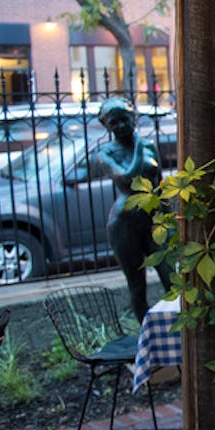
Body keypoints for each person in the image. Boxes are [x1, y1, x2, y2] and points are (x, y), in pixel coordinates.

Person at [95, 97, 172, 323]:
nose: (120, 126)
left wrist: (169, 219)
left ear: (133, 118)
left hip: (151, 221)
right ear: (107, 126)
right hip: (124, 224)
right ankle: (145, 334)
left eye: (124, 120)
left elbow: (159, 184)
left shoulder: (150, 147)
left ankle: (179, 333)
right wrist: (138, 146)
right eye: (114, 123)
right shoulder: (106, 154)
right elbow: (128, 178)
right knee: (137, 286)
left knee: (172, 279)